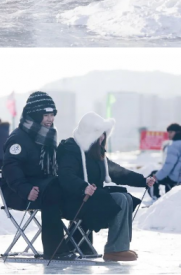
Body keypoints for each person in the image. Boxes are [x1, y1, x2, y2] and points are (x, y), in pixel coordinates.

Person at [57, 112, 154, 262]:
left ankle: (120, 247)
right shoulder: (71, 149)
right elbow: (66, 175)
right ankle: (114, 250)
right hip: (74, 200)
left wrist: (143, 180)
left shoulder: (96, 153)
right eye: (99, 135)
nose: (102, 138)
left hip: (93, 198)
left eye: (104, 134)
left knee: (126, 198)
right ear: (89, 133)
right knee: (120, 199)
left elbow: (118, 172)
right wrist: (83, 187)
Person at [1, 91, 76, 261]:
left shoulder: (47, 136)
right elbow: (10, 168)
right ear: (34, 115)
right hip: (19, 193)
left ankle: (76, 242)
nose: (50, 119)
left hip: (42, 187)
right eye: (45, 115)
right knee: (53, 191)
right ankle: (55, 249)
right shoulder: (18, 139)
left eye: (52, 115)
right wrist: (25, 189)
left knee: (68, 187)